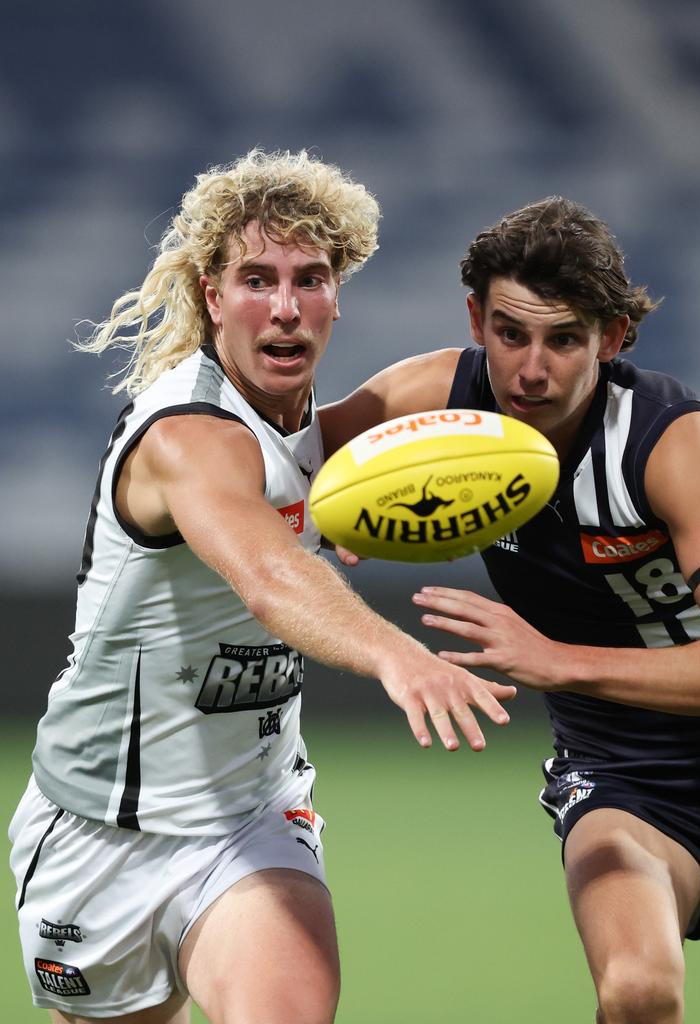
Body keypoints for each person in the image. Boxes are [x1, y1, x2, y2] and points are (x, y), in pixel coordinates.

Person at [8, 149, 517, 1024]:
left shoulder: (324, 436)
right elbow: (268, 576)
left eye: (310, 278)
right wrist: (399, 656)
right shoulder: (188, 436)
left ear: (336, 294)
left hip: (252, 816)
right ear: (212, 297)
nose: (285, 307)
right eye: (256, 279)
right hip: (99, 827)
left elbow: (442, 380)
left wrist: (618, 403)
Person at [320, 196, 700, 1024]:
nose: (531, 370)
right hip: (626, 769)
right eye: (510, 333)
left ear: (612, 337)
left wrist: (561, 662)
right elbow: (279, 465)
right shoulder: (435, 400)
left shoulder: (663, 440)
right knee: (637, 992)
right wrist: (334, 513)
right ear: (476, 320)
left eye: (564, 339)